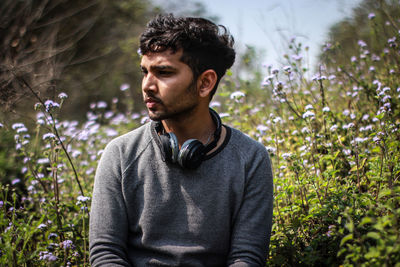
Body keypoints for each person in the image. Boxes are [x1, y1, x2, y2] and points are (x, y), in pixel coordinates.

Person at [89, 14, 273, 266]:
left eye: (163, 72)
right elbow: (105, 254)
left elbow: (248, 257)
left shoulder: (250, 158)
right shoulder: (121, 154)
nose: (147, 85)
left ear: (205, 82)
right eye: (145, 72)